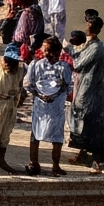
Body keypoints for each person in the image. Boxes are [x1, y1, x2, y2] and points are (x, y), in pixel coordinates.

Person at [67, 26, 104, 172]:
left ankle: (98, 160)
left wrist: (70, 49)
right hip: (83, 89)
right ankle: (83, 154)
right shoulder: (91, 46)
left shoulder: (97, 48)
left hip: (90, 91)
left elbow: (77, 64)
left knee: (92, 125)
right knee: (81, 124)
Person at [26, 38, 70, 175]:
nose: (47, 54)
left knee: (56, 138)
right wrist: (41, 95)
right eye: (45, 50)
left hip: (55, 108)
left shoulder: (63, 67)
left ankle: (54, 165)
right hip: (42, 108)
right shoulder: (36, 65)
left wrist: (53, 95)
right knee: (37, 135)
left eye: (49, 51)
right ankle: (35, 163)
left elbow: (68, 86)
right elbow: (28, 85)